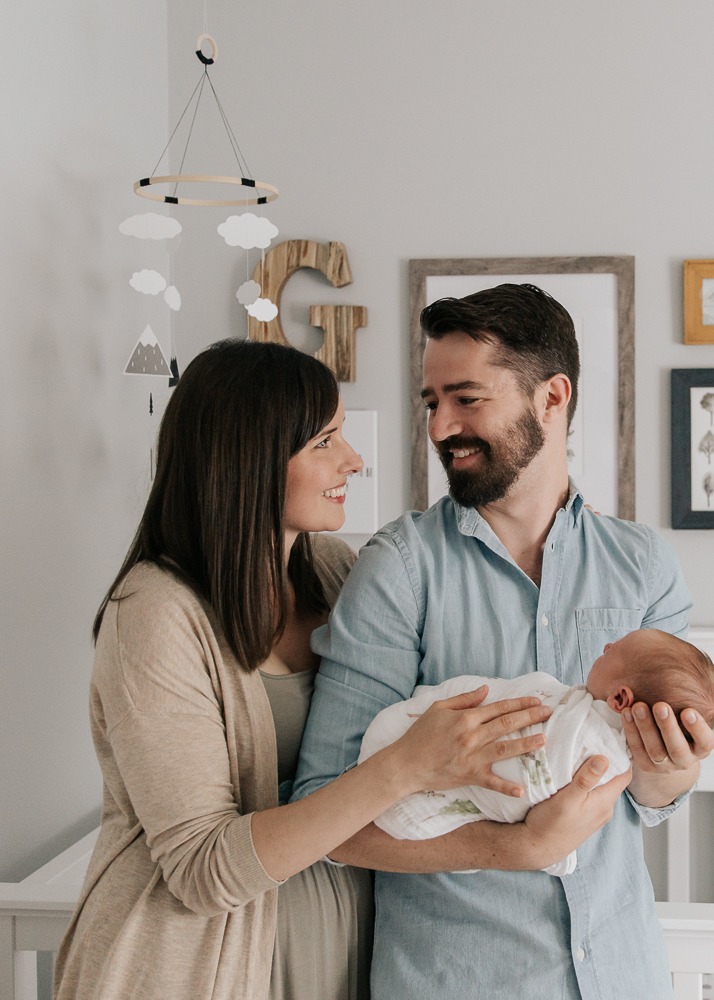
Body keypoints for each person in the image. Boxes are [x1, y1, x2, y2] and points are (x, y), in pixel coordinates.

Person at [53, 340, 554, 1000]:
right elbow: (201, 869)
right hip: (194, 966)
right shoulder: (155, 615)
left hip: (339, 952)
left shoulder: (340, 578)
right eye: (325, 441)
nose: (353, 460)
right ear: (249, 458)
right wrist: (404, 767)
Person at [293, 284, 714, 1000]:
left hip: (623, 973)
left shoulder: (644, 565)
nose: (440, 427)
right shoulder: (400, 570)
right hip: (458, 980)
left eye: (467, 399)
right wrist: (515, 850)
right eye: (431, 402)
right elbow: (326, 815)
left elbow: (649, 798)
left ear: (552, 397)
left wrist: (677, 765)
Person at [356, 629, 714, 877]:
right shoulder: (402, 561)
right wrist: (525, 848)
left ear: (619, 698)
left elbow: (540, 774)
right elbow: (331, 819)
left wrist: (670, 763)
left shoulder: (646, 561)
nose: (606, 646)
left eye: (616, 651)